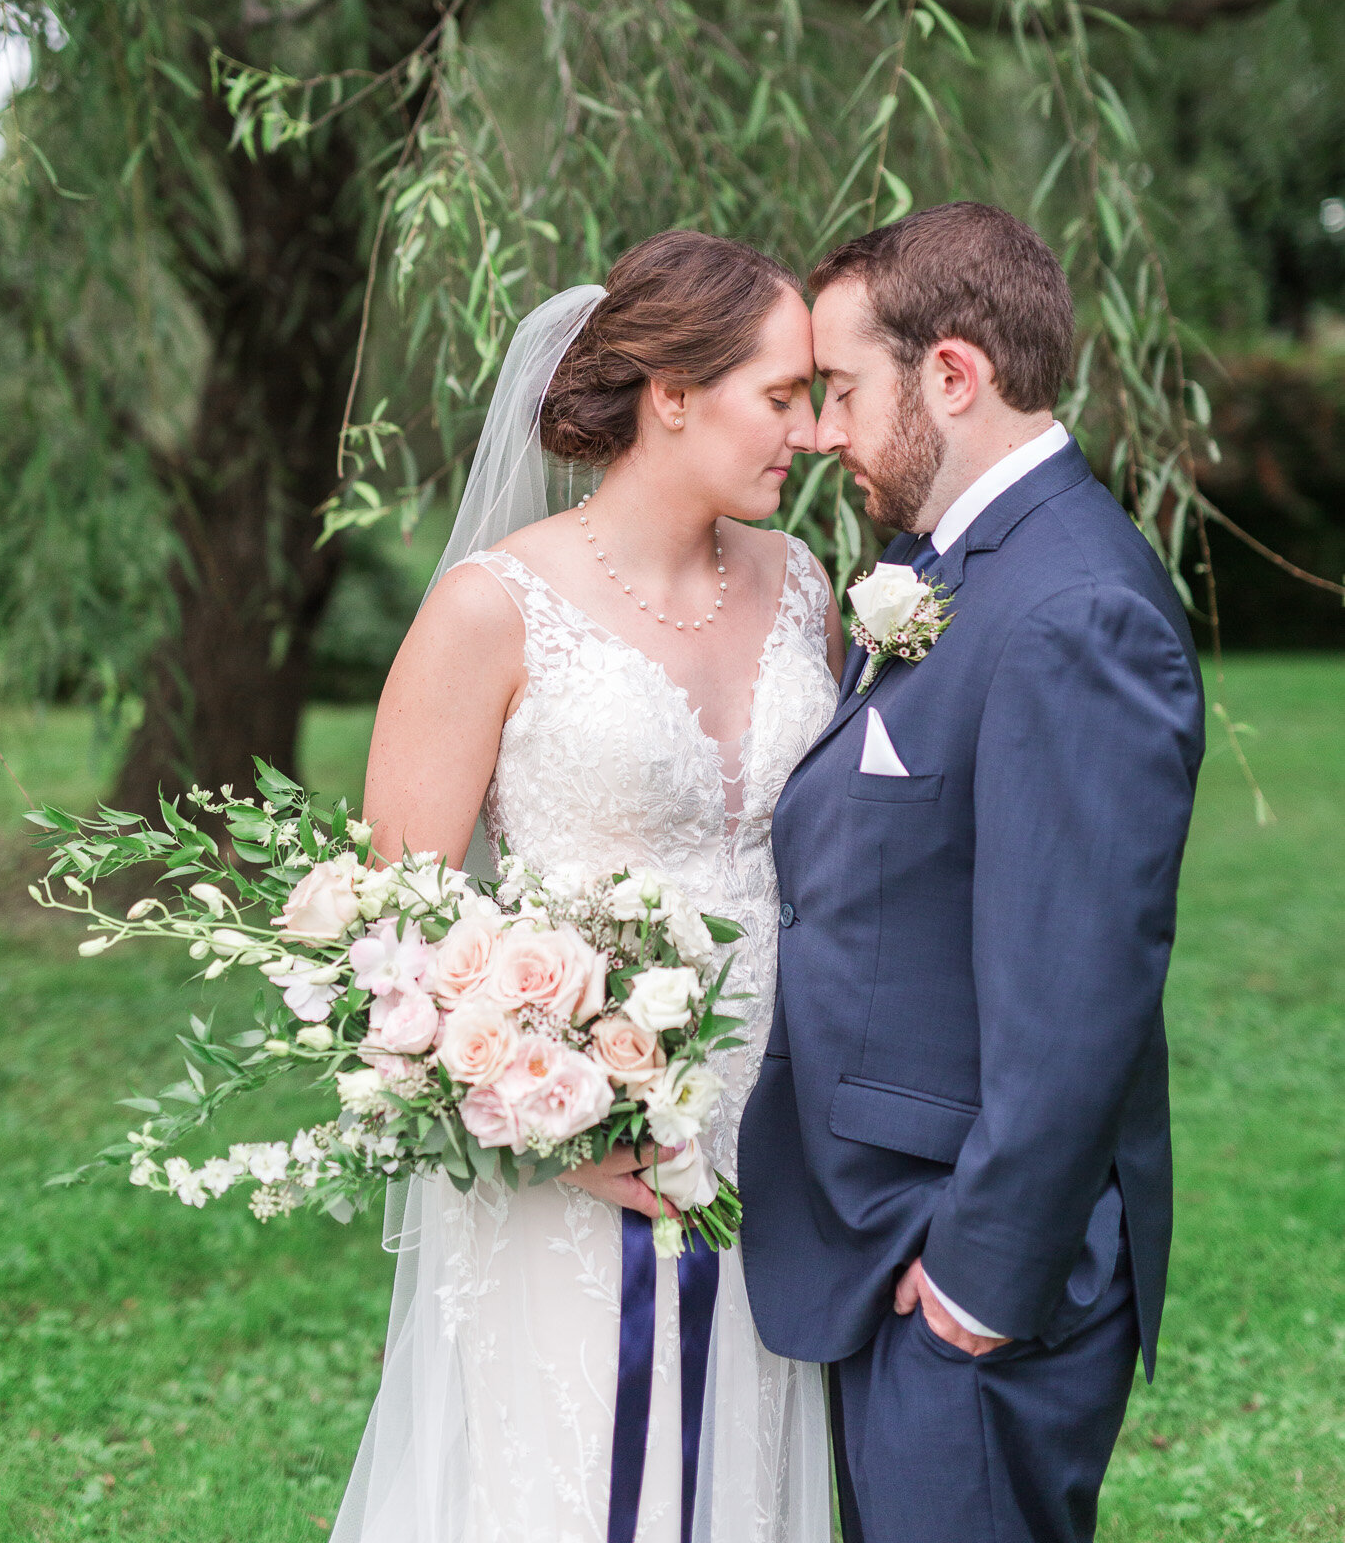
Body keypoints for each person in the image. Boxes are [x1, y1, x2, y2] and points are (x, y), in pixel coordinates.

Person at [332, 231, 843, 1543]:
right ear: (671, 394)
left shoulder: (804, 589)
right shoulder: (490, 610)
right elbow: (391, 933)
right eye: (780, 397)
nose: (813, 431)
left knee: (744, 1451)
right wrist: (554, 1118)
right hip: (574, 1162)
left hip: (775, 1119)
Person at [739, 202, 1206, 1543]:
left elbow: (1079, 989)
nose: (818, 432)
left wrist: (977, 1286)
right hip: (887, 1228)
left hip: (977, 1269)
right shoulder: (944, 567)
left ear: (952, 375)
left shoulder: (1076, 610)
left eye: (837, 389)